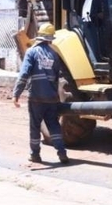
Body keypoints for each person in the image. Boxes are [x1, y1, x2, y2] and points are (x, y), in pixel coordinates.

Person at [12, 23, 69, 164]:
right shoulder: (54, 55)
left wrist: (16, 94)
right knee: (54, 126)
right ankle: (62, 153)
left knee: (35, 127)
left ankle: (35, 155)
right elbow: (57, 77)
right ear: (50, 38)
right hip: (51, 98)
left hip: (36, 98)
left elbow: (24, 74)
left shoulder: (32, 52)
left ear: (39, 36)